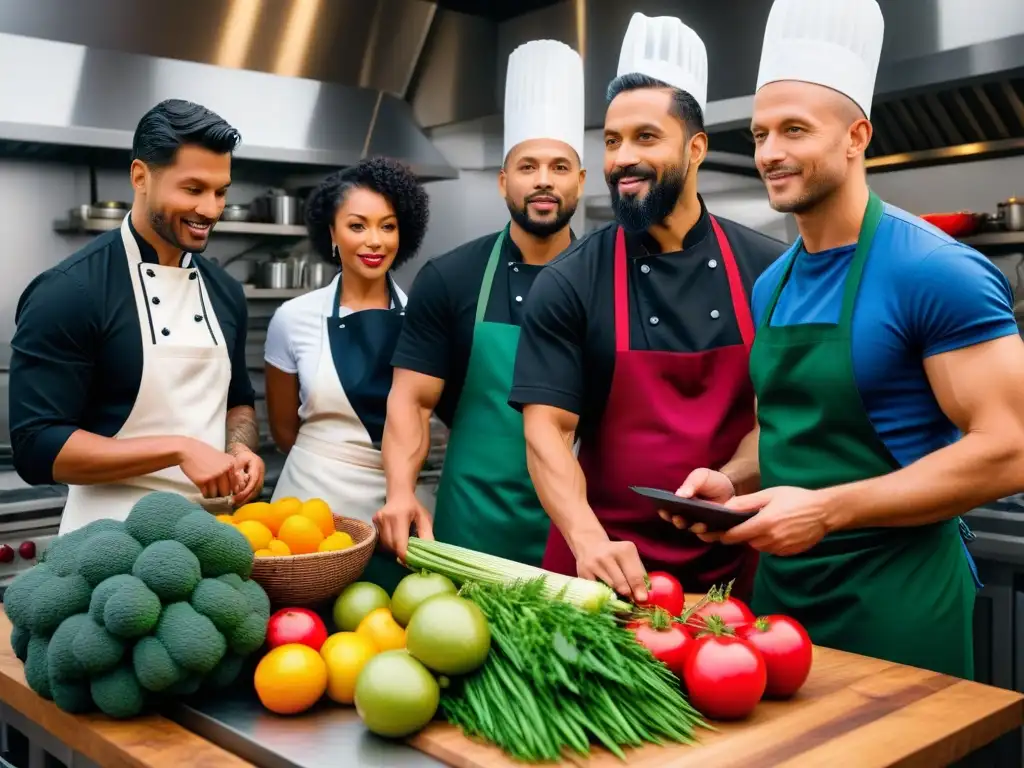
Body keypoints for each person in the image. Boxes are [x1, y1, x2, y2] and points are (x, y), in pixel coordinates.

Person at [670, 0, 1024, 679]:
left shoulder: (933, 270)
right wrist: (730, 478)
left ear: (856, 136)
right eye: (761, 132)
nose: (770, 152)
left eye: (794, 130)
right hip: (780, 607)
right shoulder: (772, 284)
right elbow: (790, 424)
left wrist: (827, 511)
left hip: (898, 602)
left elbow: (1009, 450)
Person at [508, 13, 788, 602]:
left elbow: (777, 420)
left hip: (729, 580)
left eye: (644, 137)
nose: (621, 159)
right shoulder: (570, 280)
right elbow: (547, 434)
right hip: (598, 574)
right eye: (611, 142)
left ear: (696, 148)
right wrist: (588, 540)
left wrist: (732, 480)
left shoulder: (769, 268)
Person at [9, 99, 265, 534]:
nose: (211, 209)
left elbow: (238, 402)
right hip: (107, 545)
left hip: (211, 541)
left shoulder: (224, 291)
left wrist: (241, 450)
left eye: (220, 191)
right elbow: (37, 447)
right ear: (140, 177)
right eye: (193, 189)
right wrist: (178, 449)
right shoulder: (70, 291)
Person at [377, 39, 586, 566]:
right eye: (528, 166)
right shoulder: (451, 276)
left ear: (581, 183)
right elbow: (412, 400)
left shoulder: (608, 279)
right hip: (472, 522)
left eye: (560, 167)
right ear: (503, 181)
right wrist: (401, 490)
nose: (543, 180)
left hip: (580, 528)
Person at [264, 157, 428, 589]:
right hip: (310, 509)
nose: (374, 241)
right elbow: (283, 430)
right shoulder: (292, 318)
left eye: (388, 226)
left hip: (396, 505)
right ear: (331, 233)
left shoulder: (425, 321)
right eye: (357, 226)